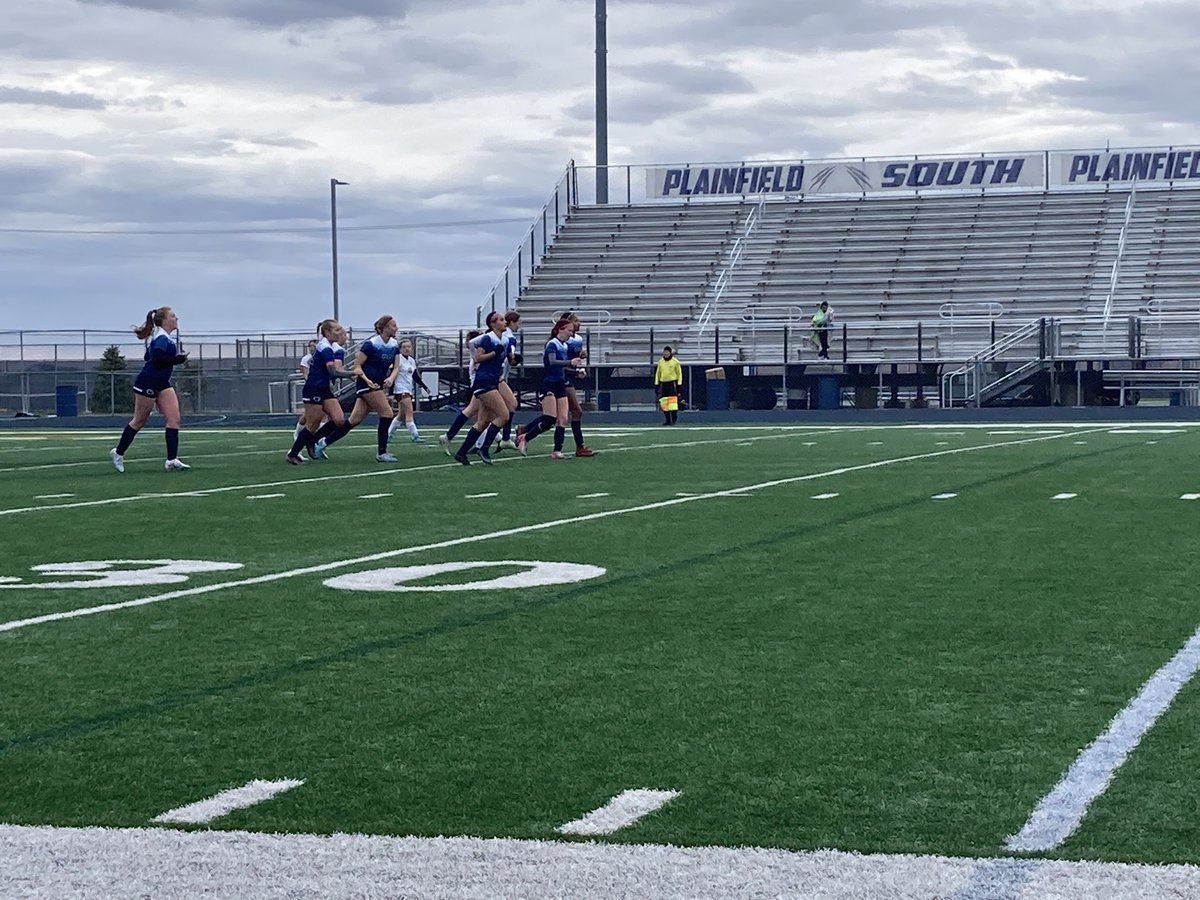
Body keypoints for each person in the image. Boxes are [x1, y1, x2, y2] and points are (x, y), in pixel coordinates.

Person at [110, 306, 191, 472]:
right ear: (164, 320)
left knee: (174, 418)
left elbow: (148, 356)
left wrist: (174, 359)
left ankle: (171, 460)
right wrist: (177, 359)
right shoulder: (161, 337)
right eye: (173, 316)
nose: (177, 319)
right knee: (139, 421)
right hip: (148, 382)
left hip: (162, 382)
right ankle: (118, 453)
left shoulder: (163, 337)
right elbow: (156, 357)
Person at [316, 314, 399, 462]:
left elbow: (396, 366)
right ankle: (382, 453)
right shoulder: (371, 344)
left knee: (353, 420)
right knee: (387, 413)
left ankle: (322, 443)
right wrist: (367, 381)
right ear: (384, 328)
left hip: (378, 384)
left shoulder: (394, 344)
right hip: (366, 384)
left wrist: (391, 379)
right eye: (393, 325)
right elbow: (357, 366)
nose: (396, 328)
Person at [285, 319, 360, 465]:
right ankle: (293, 453)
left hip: (324, 388)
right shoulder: (325, 348)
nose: (340, 333)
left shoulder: (332, 347)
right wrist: (352, 373)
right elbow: (333, 372)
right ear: (327, 332)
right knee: (312, 423)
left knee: (338, 420)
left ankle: (311, 440)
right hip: (315, 388)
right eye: (336, 330)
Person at [515, 318, 585, 458]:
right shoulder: (552, 344)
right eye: (569, 330)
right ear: (560, 329)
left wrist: (576, 372)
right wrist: (570, 362)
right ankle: (525, 435)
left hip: (560, 383)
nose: (571, 334)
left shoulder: (563, 346)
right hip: (549, 383)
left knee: (563, 419)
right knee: (550, 418)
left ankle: (557, 450)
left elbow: (563, 368)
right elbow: (553, 362)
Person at [452, 311, 511, 465]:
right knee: (503, 416)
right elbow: (478, 358)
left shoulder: (503, 340)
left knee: (482, 422)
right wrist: (493, 353)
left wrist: (514, 359)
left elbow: (504, 359)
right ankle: (484, 448)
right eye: (502, 320)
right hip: (484, 381)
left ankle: (461, 453)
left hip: (491, 381)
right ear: (493, 323)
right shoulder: (488, 338)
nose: (505, 322)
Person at [439, 329, 483, 456]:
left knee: (483, 416)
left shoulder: (476, 352)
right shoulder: (477, 352)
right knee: (482, 415)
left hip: (478, 385)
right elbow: (477, 364)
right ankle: (449, 436)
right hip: (479, 386)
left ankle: (481, 444)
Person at [562, 313, 596, 457]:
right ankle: (579, 446)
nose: (579, 323)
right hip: (562, 377)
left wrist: (581, 358)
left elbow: (574, 358)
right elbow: (563, 360)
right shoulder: (561, 340)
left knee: (555, 416)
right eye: (576, 321)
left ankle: (525, 431)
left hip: (569, 375)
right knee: (574, 412)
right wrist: (575, 371)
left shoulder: (578, 339)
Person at [387, 337, 429, 446]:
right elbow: (393, 376)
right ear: (400, 349)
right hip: (400, 389)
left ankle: (388, 434)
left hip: (408, 389)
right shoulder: (398, 359)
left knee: (401, 415)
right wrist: (391, 393)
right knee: (409, 412)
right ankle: (415, 435)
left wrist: (425, 387)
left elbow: (415, 376)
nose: (407, 349)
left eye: (409, 347)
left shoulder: (411, 360)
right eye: (404, 347)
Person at [293, 339, 318, 442]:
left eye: (314, 346)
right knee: (308, 414)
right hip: (311, 388)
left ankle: (317, 440)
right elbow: (305, 374)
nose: (312, 348)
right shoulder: (306, 359)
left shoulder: (322, 357)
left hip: (322, 388)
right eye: (310, 346)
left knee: (323, 414)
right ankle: (297, 433)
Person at [653, 345, 682, 426]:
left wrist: (679, 385)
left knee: (672, 404)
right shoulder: (660, 362)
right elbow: (658, 373)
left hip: (672, 384)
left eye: (667, 352)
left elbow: (679, 374)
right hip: (663, 384)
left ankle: (674, 419)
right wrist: (657, 384)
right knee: (664, 403)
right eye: (664, 352)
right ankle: (667, 420)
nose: (665, 353)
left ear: (670, 353)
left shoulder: (675, 362)